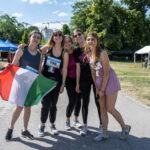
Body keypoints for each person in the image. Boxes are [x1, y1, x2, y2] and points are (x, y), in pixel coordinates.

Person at [86, 32, 131, 141]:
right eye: (88, 39)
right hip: (99, 81)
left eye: (93, 39)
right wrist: (97, 87)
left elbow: (106, 73)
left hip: (109, 80)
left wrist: (102, 89)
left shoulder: (103, 53)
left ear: (97, 41)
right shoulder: (88, 54)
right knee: (102, 109)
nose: (90, 41)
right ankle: (105, 133)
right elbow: (93, 72)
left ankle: (125, 127)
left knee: (110, 108)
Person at [5, 30, 43, 141]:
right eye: (34, 37)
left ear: (39, 40)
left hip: (32, 83)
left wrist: (44, 81)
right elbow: (14, 65)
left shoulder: (40, 54)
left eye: (38, 38)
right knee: (19, 106)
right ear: (30, 38)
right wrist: (9, 67)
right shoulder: (21, 50)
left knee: (28, 106)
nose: (36, 39)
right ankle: (10, 128)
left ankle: (24, 130)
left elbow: (39, 71)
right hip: (21, 82)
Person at [38, 29, 69, 137]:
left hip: (56, 82)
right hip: (45, 80)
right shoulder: (47, 48)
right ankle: (42, 126)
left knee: (53, 105)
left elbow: (64, 69)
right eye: (55, 35)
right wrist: (24, 46)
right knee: (45, 104)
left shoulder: (64, 53)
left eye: (60, 35)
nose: (58, 36)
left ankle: (52, 125)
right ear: (53, 37)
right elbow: (35, 52)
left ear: (62, 37)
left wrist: (63, 84)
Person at [73, 29, 102, 135]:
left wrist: (99, 82)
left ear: (83, 35)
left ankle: (102, 125)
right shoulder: (76, 51)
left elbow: (98, 65)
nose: (77, 36)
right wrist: (77, 83)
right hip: (84, 79)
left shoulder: (91, 45)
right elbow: (78, 68)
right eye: (75, 36)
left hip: (96, 78)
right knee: (85, 102)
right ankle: (85, 126)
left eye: (79, 34)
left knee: (98, 102)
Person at [63, 35, 81, 130]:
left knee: (78, 100)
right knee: (72, 100)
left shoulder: (76, 51)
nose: (67, 43)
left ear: (71, 42)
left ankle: (76, 120)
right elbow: (46, 48)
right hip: (69, 79)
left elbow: (78, 67)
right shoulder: (62, 52)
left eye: (69, 41)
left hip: (78, 78)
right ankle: (67, 120)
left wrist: (78, 83)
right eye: (65, 41)